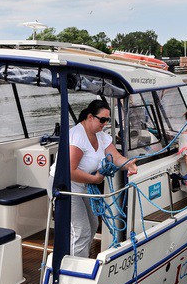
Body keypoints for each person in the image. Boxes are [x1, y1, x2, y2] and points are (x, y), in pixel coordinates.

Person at [49, 100, 137, 258]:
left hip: (82, 186)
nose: (105, 124)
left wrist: (128, 164)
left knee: (93, 224)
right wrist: (95, 179)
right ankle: (75, 269)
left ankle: (78, 257)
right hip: (64, 186)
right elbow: (69, 171)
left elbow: (114, 157)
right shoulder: (77, 137)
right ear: (90, 117)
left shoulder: (101, 136)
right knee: (81, 230)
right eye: (102, 120)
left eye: (107, 120)